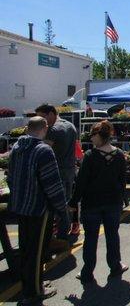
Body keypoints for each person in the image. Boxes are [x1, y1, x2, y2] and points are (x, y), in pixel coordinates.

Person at [7, 117, 67, 305]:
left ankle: (32, 284)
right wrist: (62, 209)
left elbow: (10, 176)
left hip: (21, 205)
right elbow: (52, 184)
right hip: (38, 208)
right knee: (37, 251)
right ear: (45, 128)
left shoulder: (17, 148)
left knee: (26, 248)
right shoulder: (43, 150)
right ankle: (33, 292)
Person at [68, 121, 128, 285]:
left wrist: (74, 201)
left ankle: (87, 271)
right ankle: (115, 266)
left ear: (100, 136)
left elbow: (81, 182)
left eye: (92, 135)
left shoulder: (90, 156)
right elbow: (122, 180)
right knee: (112, 235)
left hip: (92, 202)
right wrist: (123, 198)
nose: (91, 138)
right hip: (112, 201)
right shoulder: (119, 154)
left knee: (91, 238)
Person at [35, 104, 78, 245]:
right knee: (66, 201)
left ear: (51, 114)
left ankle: (60, 237)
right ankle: (65, 232)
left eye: (42, 117)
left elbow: (43, 151)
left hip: (57, 171)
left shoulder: (53, 130)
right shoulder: (70, 126)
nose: (42, 120)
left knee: (57, 204)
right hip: (69, 169)